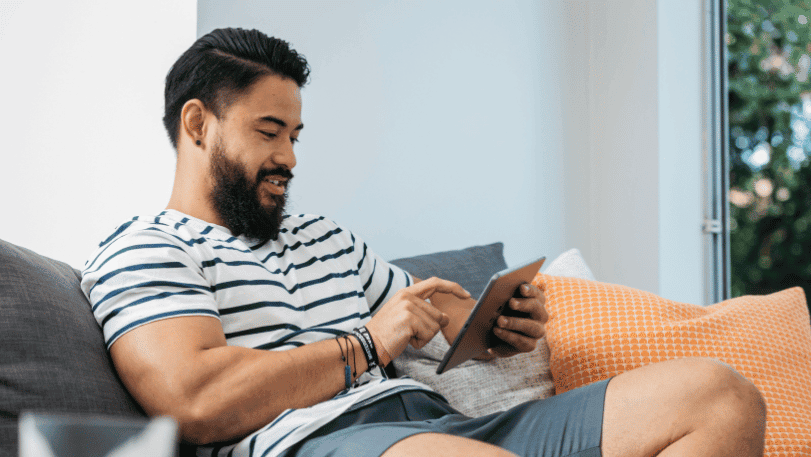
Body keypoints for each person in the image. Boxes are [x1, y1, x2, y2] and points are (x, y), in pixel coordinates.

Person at [81, 27, 767, 457]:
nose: (290, 156)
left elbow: (432, 315)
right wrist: (367, 344)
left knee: (719, 394)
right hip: (319, 441)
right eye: (269, 131)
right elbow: (196, 401)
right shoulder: (147, 247)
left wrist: (497, 326)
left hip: (438, 420)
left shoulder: (326, 238)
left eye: (296, 135)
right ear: (198, 125)